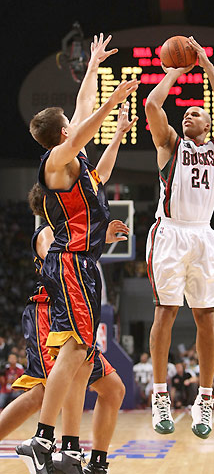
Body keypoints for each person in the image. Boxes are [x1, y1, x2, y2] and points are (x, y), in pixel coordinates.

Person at [16, 32, 138, 474]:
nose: (78, 122)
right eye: (72, 124)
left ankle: (73, 451)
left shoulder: (77, 163)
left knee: (86, 356)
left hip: (84, 262)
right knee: (77, 345)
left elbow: (85, 117)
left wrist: (93, 69)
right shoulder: (54, 160)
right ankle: (45, 439)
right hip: (69, 262)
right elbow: (86, 120)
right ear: (63, 133)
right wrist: (113, 103)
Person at [6, 180, 128, 473]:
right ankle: (65, 448)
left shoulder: (76, 236)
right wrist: (96, 235)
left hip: (75, 318)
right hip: (50, 314)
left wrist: (98, 237)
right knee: (39, 395)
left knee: (113, 389)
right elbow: (58, 263)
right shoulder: (49, 234)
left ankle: (94, 463)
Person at [145, 36, 214, 439]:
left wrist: (207, 64)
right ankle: (160, 394)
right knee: (166, 312)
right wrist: (176, 72)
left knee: (206, 317)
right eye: (186, 114)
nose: (188, 117)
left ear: (206, 123)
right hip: (170, 232)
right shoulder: (170, 145)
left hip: (203, 236)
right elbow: (152, 106)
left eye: (196, 113)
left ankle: (205, 399)